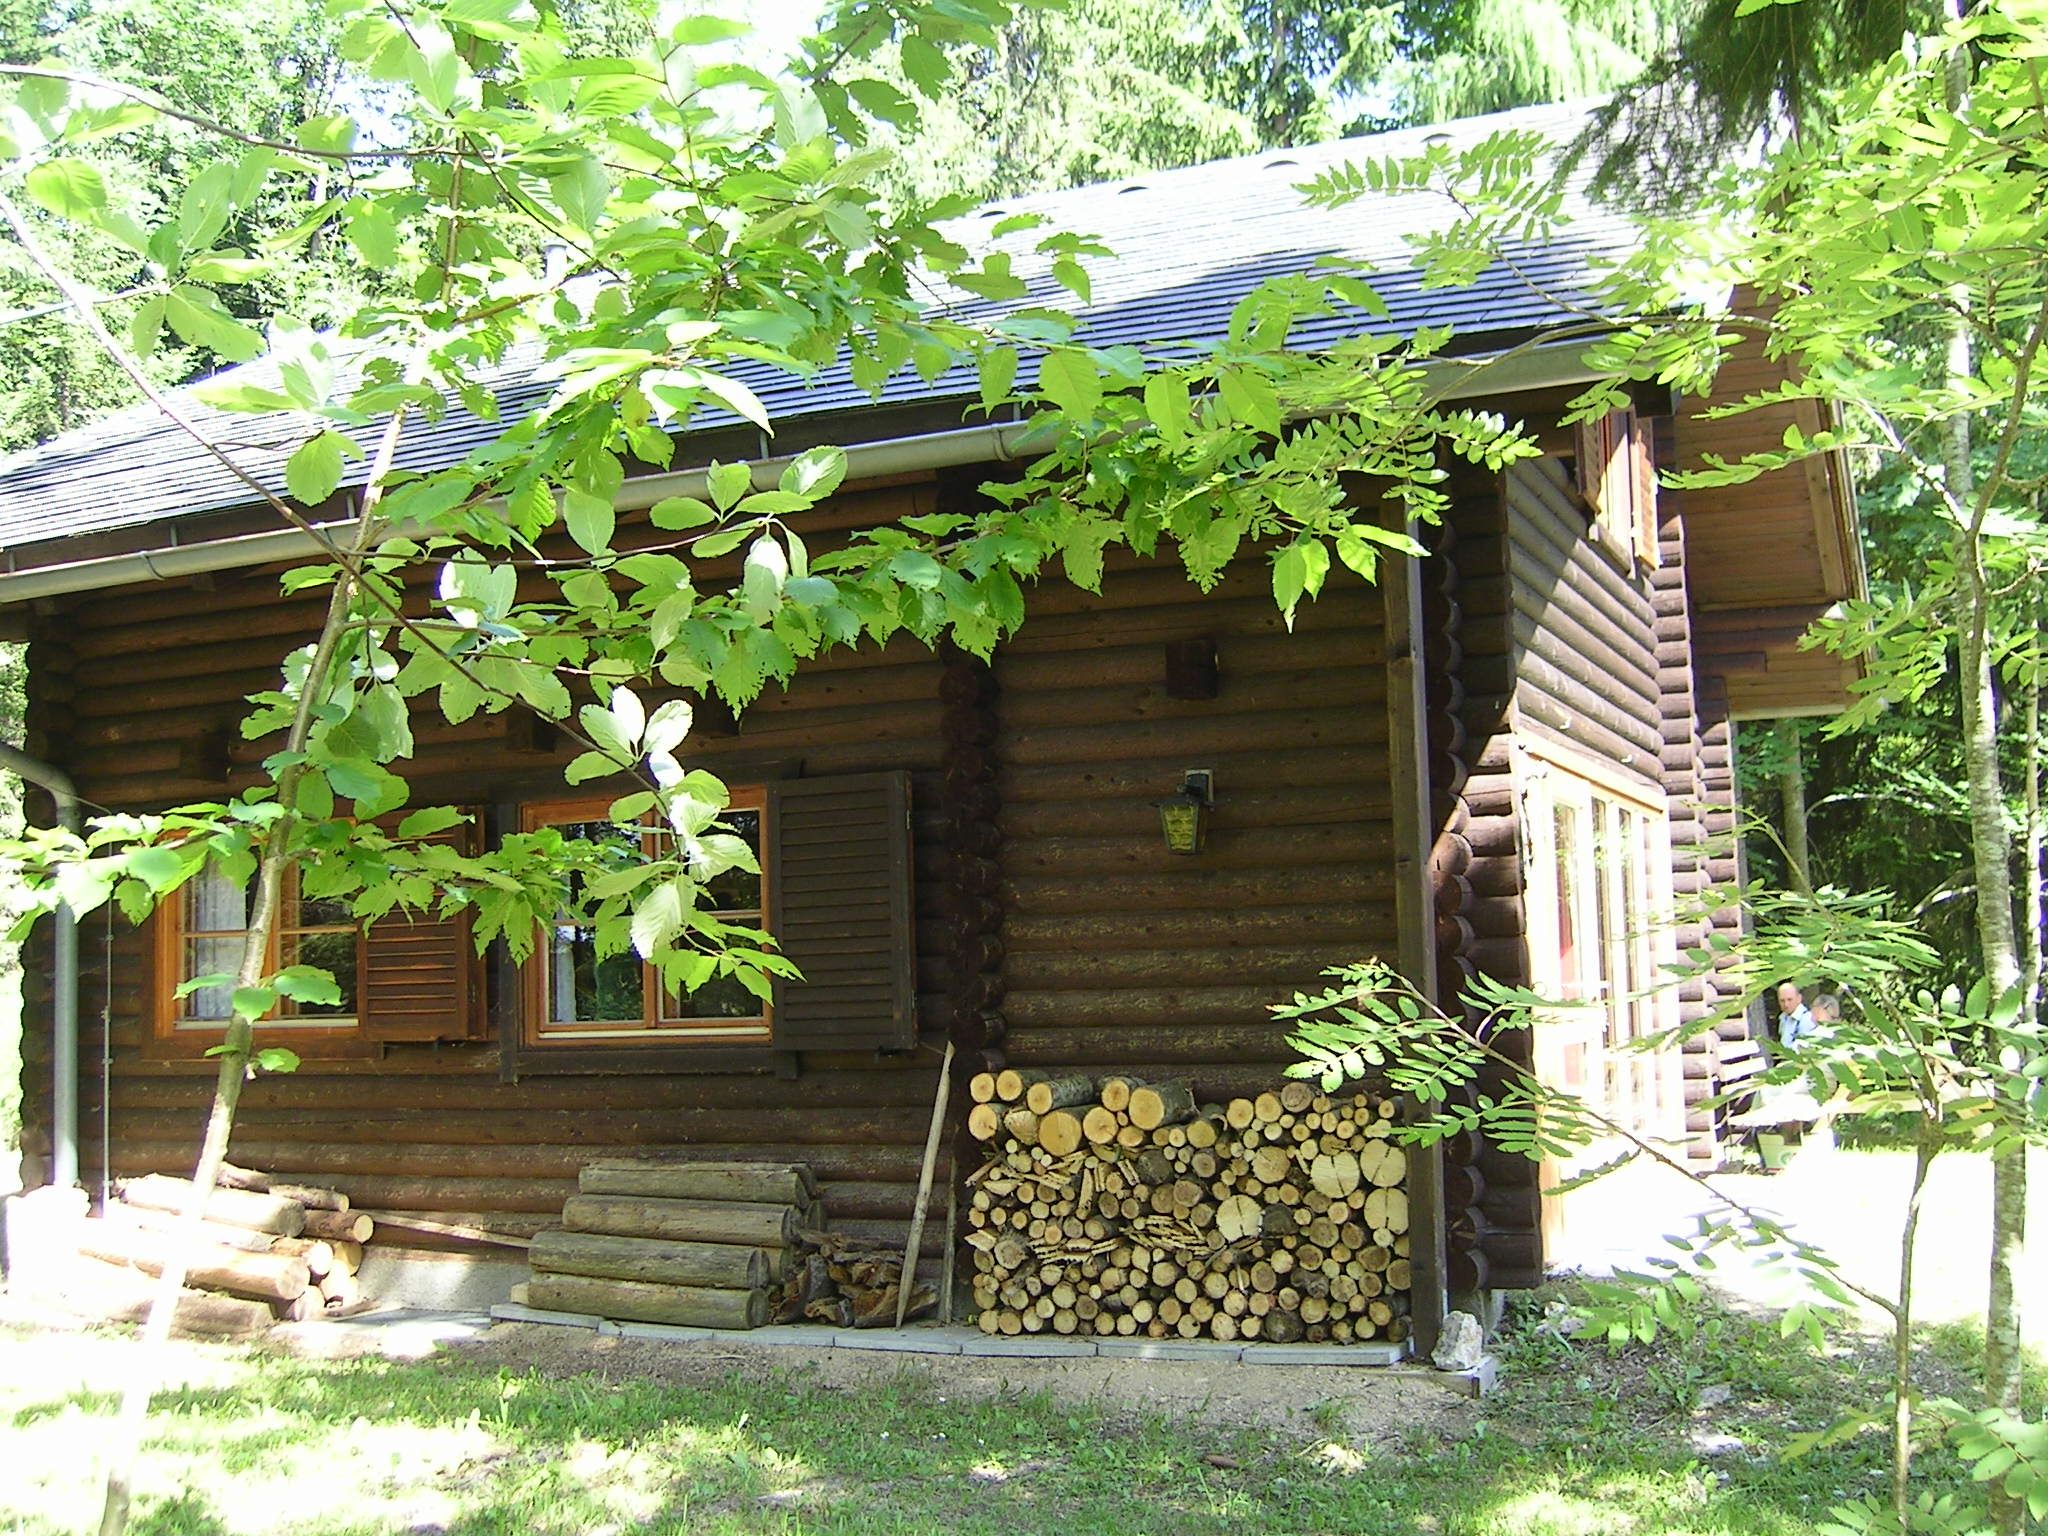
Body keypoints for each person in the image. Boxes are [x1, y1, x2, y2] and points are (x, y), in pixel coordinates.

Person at [1776, 981, 1816, 1051]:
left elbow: (1803, 1048)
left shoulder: (1806, 1019)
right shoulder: (1783, 1017)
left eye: (1789, 999)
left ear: (1799, 998)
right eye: (1782, 1001)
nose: (1786, 1004)